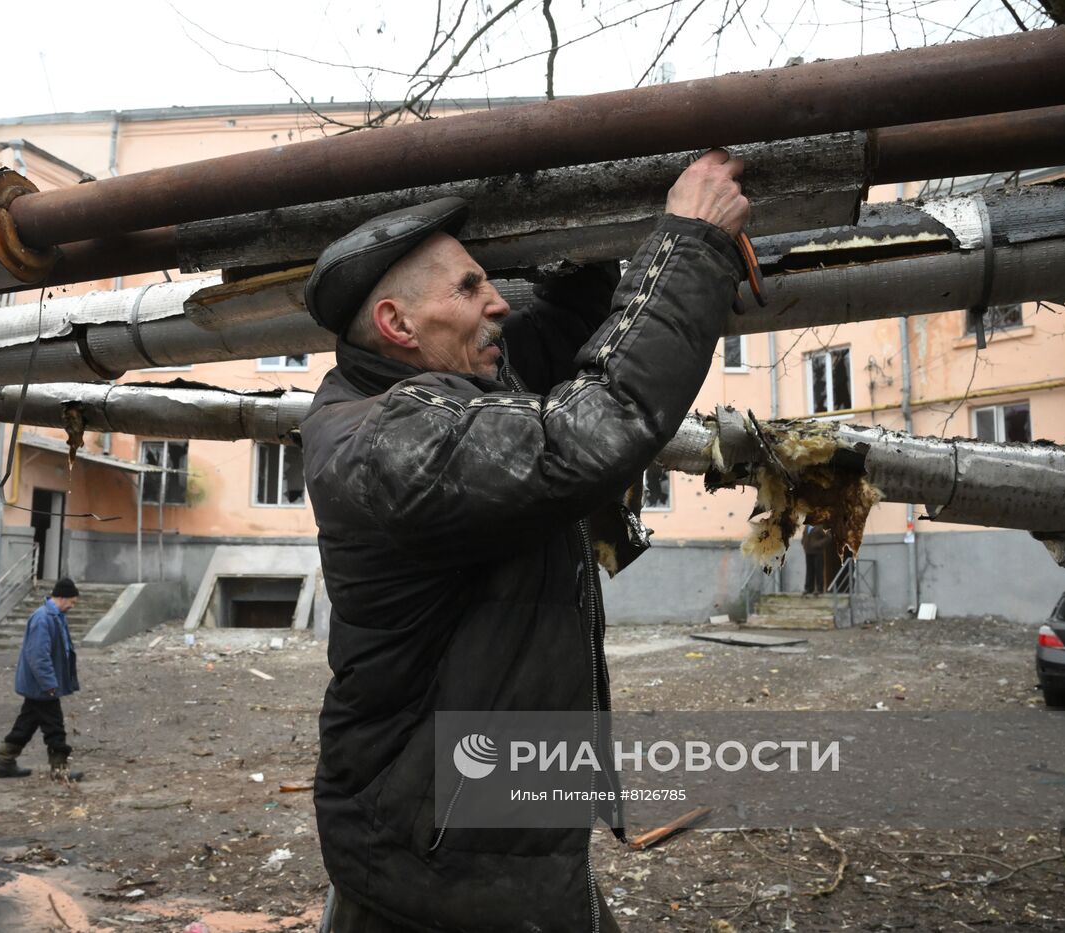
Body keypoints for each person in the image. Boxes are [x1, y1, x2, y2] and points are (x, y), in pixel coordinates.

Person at [300, 149, 748, 932]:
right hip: (437, 857)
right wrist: (691, 241)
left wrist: (578, 250)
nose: (498, 302)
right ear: (397, 324)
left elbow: (567, 334)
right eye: (471, 288)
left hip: (475, 838)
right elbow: (594, 429)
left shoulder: (454, 386)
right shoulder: (386, 440)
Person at [0, 577, 84, 783]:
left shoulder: (55, 616)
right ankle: (59, 771)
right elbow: (38, 656)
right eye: (71, 601)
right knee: (54, 727)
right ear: (61, 597)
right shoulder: (43, 618)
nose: (72, 605)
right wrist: (50, 684)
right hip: (42, 686)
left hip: (40, 685)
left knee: (26, 723)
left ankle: (5, 763)